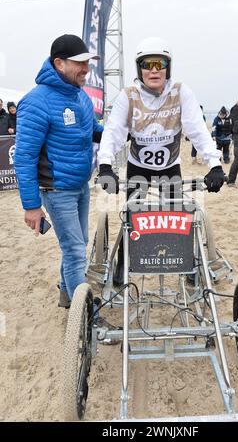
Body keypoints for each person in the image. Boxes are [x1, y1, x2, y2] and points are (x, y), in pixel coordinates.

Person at [96, 36, 225, 285]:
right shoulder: (128, 96)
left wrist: (215, 164)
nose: (153, 71)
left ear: (168, 67)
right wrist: (105, 165)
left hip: (170, 167)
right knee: (131, 217)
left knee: (178, 215)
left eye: (160, 64)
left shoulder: (180, 92)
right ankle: (124, 262)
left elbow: (197, 129)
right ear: (139, 68)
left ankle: (187, 262)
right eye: (147, 64)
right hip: (138, 168)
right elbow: (113, 132)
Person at [14, 34, 103, 309]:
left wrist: (128, 130)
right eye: (80, 63)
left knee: (79, 243)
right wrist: (32, 206)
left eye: (87, 62)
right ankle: (84, 315)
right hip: (56, 191)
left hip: (80, 186)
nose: (86, 69)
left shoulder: (81, 97)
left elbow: (96, 132)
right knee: (76, 251)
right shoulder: (36, 101)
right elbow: (24, 157)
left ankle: (67, 296)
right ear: (59, 64)